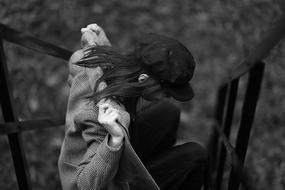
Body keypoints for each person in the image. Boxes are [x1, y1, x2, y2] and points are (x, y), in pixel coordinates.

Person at [58, 24, 207, 190]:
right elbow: (84, 185)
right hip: (104, 180)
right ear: (143, 79)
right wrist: (114, 140)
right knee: (197, 156)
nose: (170, 96)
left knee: (168, 111)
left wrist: (103, 44)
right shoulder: (100, 112)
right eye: (166, 91)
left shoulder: (109, 71)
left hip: (114, 157)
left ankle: (157, 168)